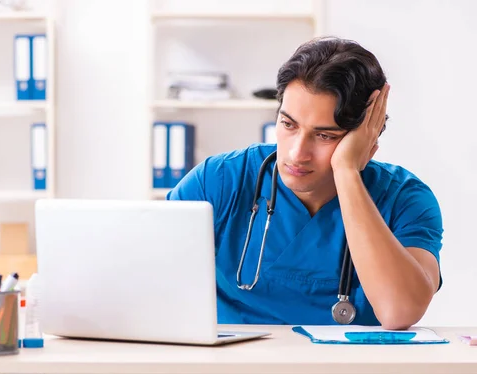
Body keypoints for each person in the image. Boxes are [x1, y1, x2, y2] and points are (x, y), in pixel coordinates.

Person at [167, 37, 443, 330]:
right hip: (230, 369)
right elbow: (146, 277)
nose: (297, 153)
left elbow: (399, 313)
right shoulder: (220, 180)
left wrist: (347, 172)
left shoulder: (404, 198)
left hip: (351, 371)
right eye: (288, 125)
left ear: (367, 137)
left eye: (325, 136)